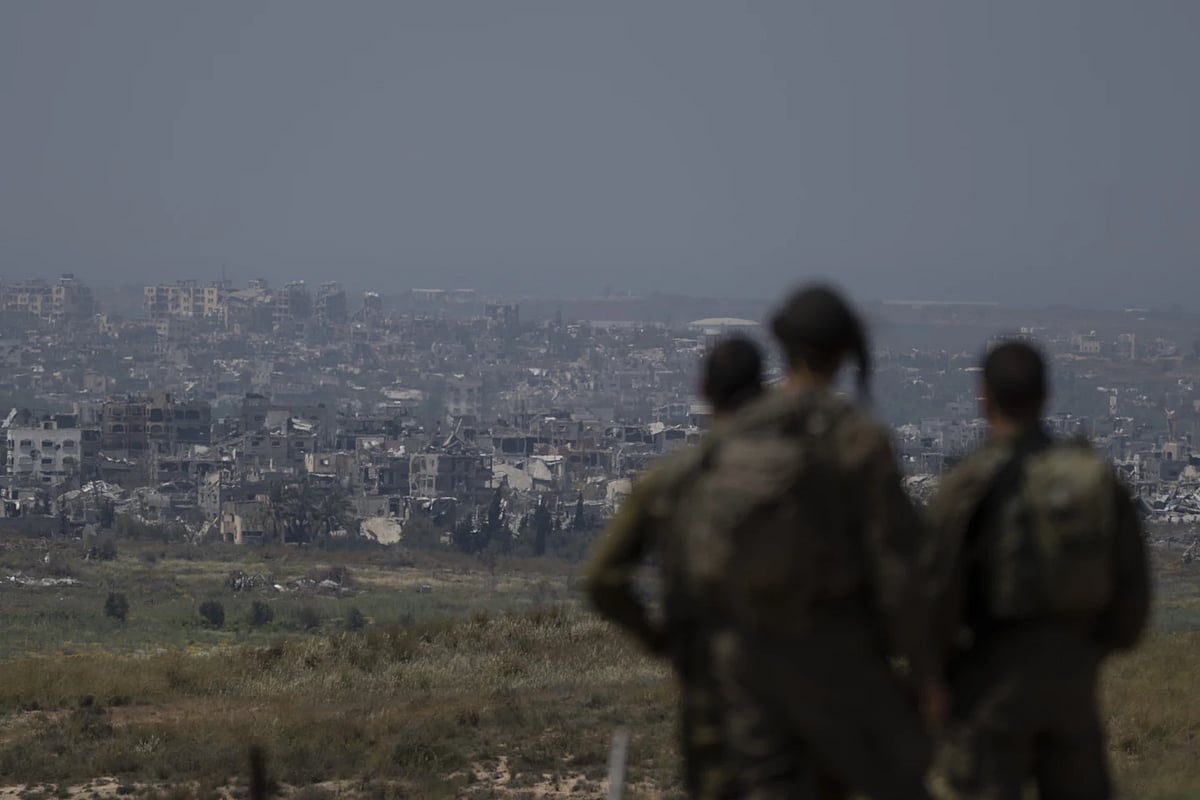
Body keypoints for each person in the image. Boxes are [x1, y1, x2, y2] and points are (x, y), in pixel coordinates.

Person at [683, 284, 939, 800]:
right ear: (845, 351)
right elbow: (899, 571)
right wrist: (928, 673)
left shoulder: (736, 436)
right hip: (840, 659)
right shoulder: (858, 440)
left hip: (747, 665)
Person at [925, 340, 1150, 800]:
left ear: (983, 396)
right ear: (1047, 396)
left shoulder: (966, 485)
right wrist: (1090, 648)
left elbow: (931, 595)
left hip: (990, 682)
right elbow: (1132, 598)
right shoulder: (1093, 480)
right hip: (1072, 678)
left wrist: (936, 673)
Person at [585, 333, 766, 800]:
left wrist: (659, 639)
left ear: (704, 391)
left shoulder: (673, 479)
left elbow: (602, 578)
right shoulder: (804, 477)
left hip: (710, 677)